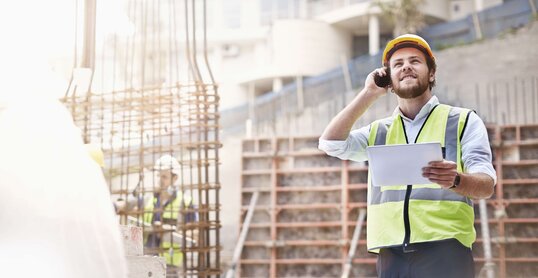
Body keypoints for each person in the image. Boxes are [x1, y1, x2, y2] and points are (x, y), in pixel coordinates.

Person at [318, 34, 496, 278]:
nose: (406, 67)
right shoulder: (379, 131)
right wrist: (369, 93)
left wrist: (455, 180)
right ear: (389, 79)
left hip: (446, 252)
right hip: (391, 257)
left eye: (415, 61)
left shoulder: (463, 121)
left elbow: (486, 186)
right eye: (398, 64)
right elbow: (330, 143)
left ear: (431, 73)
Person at [116, 154, 198, 274]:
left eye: (164, 177)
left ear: (175, 178)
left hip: (170, 266)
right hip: (146, 262)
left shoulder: (185, 202)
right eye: (158, 176)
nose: (160, 180)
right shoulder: (148, 199)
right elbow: (126, 208)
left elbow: (195, 235)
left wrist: (170, 231)